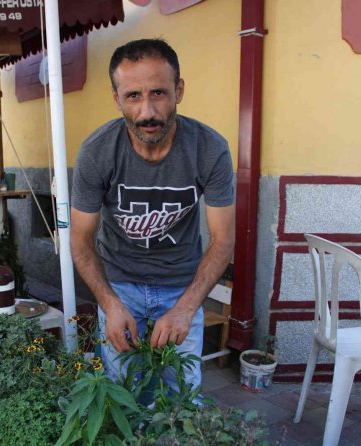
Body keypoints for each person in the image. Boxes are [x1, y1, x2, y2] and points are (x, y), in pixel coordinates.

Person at [70, 39, 235, 391]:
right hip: (118, 286)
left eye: (158, 93)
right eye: (132, 96)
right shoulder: (96, 152)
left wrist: (186, 308)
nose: (147, 112)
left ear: (179, 90)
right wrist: (109, 304)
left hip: (181, 286)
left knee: (182, 397)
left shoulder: (210, 148)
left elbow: (223, 240)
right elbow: (80, 240)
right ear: (116, 99)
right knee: (122, 394)